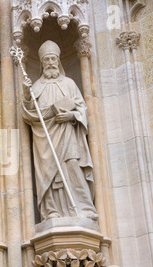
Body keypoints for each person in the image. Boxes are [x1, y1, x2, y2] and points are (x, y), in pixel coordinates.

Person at [21, 40, 98, 221]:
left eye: (53, 59)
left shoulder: (69, 84)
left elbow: (82, 108)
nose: (49, 62)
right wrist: (26, 93)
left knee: (72, 165)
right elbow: (29, 113)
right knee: (48, 171)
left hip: (67, 133)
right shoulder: (36, 87)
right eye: (46, 59)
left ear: (58, 61)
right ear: (41, 63)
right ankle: (51, 210)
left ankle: (83, 207)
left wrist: (71, 116)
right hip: (45, 138)